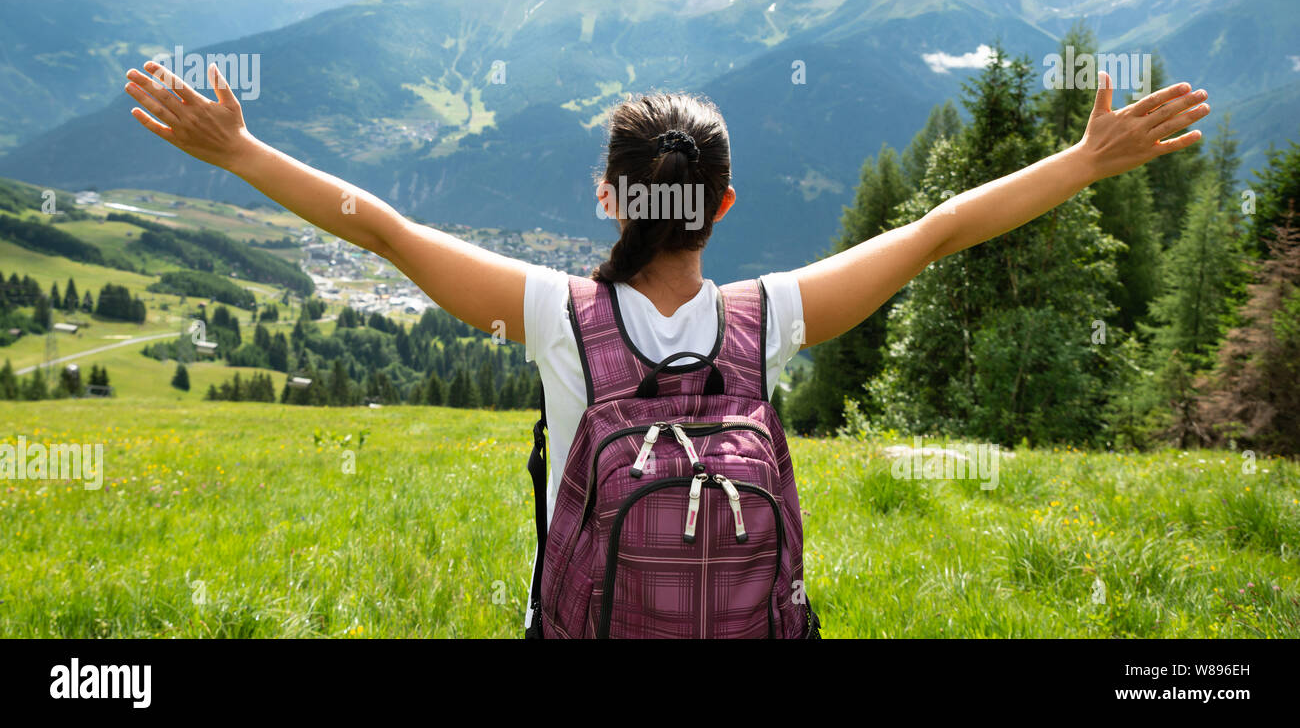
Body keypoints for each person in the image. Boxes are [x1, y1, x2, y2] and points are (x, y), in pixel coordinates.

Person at [122, 60, 1210, 634]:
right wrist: (1083, 159)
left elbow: (384, 229)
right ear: (724, 203)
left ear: (607, 196)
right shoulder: (768, 319)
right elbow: (935, 232)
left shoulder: (557, 320)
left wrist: (240, 152)